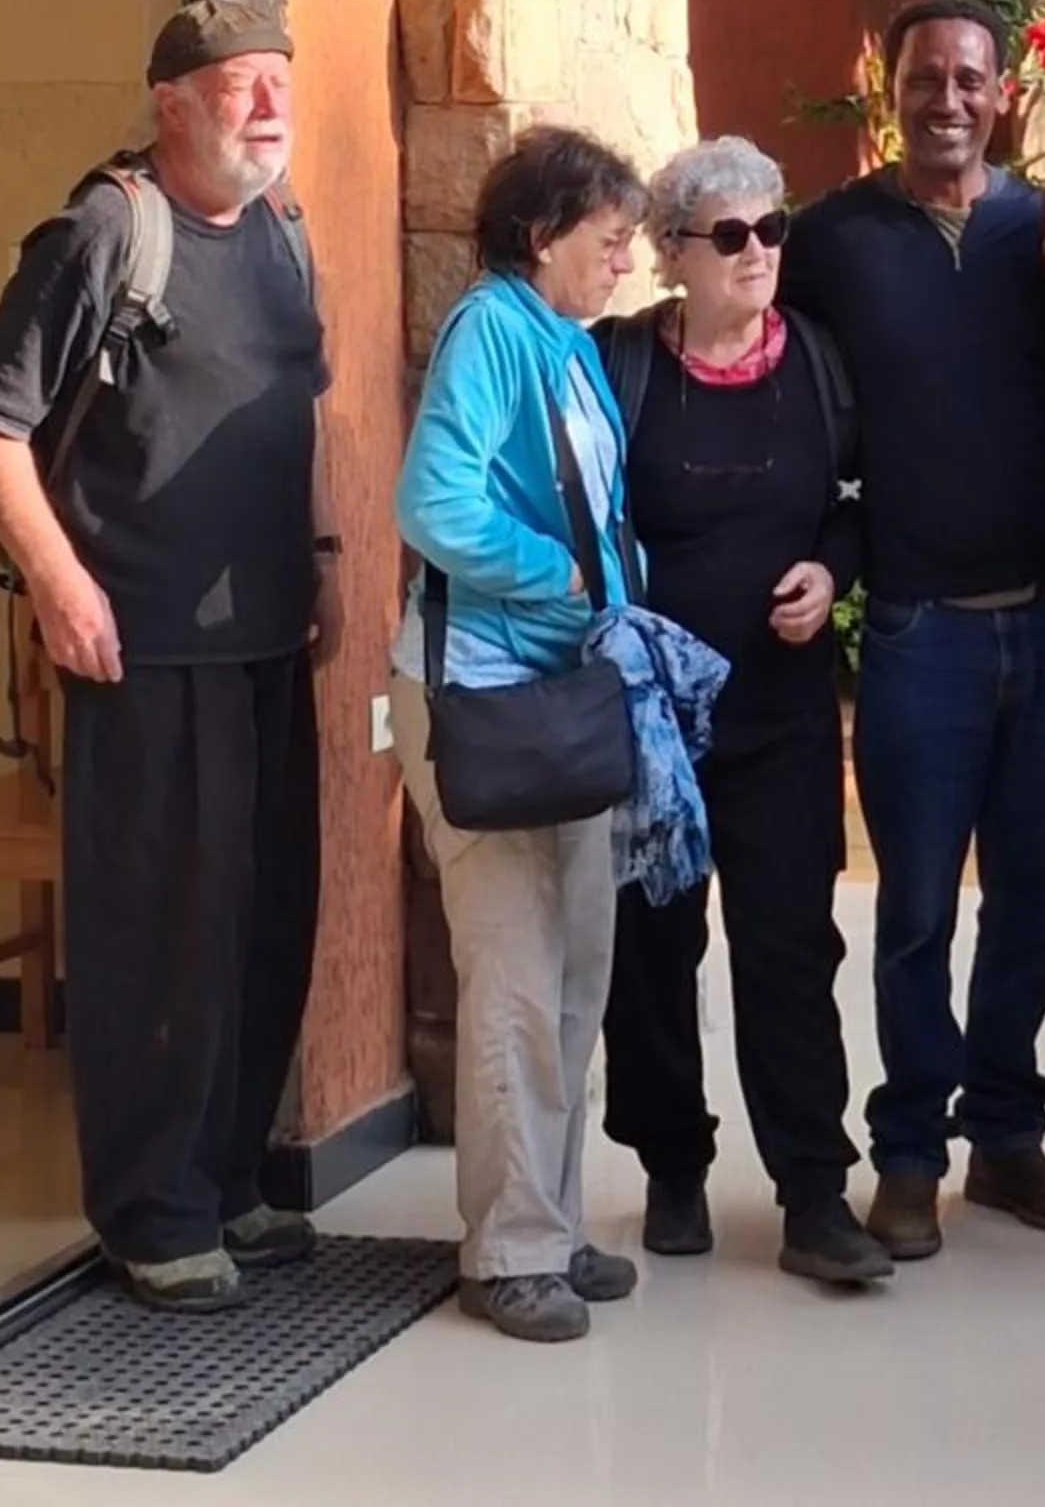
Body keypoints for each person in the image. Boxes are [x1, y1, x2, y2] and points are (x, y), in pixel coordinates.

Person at [0, 1, 333, 1314]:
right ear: (170, 100)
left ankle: (224, 1182)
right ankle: (152, 1211)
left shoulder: (282, 232)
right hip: (146, 653)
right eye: (239, 85)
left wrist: (321, 564)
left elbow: (292, 421)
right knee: (160, 935)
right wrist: (61, 587)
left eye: (280, 81)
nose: (268, 105)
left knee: (264, 924)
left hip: (272, 644)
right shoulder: (107, 232)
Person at [781, 0, 1045, 1259]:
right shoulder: (832, 241)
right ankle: (908, 1152)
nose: (950, 99)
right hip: (919, 635)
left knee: (1038, 897)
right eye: (928, 76)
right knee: (915, 908)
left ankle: (1008, 1139)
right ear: (890, 86)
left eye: (972, 78)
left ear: (1003, 93)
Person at [595, 137, 890, 1292]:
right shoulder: (616, 365)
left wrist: (832, 572)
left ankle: (814, 1190)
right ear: (673, 254)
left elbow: (857, 505)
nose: (760, 252)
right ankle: (673, 1161)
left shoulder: (819, 360)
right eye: (730, 235)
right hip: (654, 723)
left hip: (781, 712)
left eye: (773, 228)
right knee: (652, 945)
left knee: (788, 943)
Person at [389, 125, 648, 1346]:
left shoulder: (561, 341)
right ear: (541, 238)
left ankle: (548, 1224)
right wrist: (563, 581)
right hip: (487, 699)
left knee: (573, 972)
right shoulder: (496, 329)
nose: (626, 265)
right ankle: (508, 1253)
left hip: (552, 697)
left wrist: (608, 595)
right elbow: (432, 502)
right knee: (513, 976)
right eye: (608, 242)